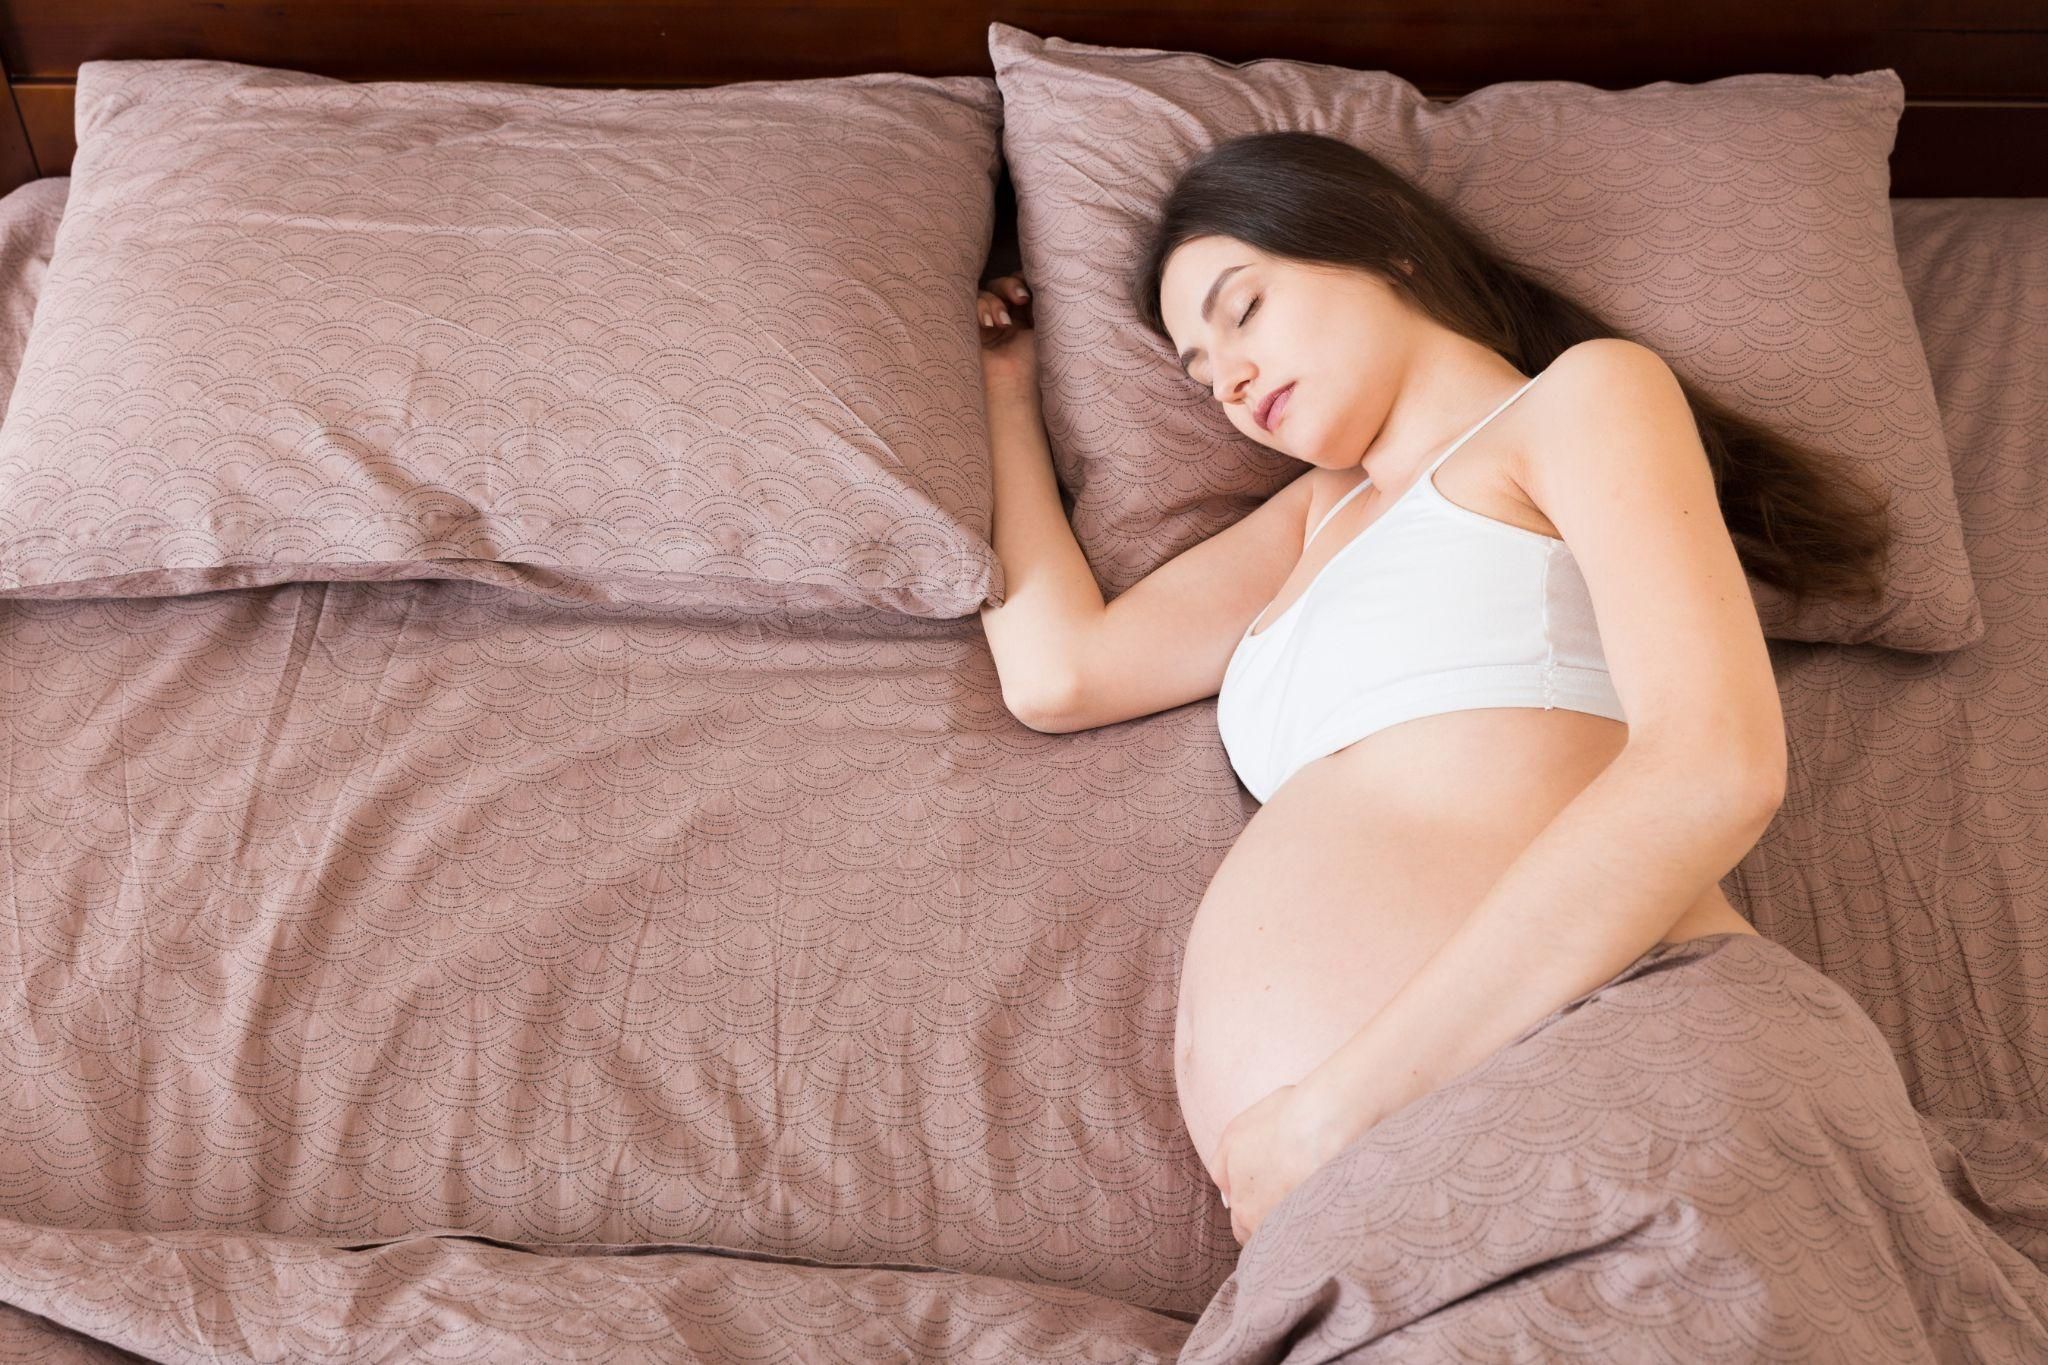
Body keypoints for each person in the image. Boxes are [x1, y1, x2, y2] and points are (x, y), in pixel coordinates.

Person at [973, 131, 1892, 1247]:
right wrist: (1003, 394)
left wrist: (1333, 1113)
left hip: (1584, 1079)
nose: (1230, 380)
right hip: (1362, 1194)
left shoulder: (1578, 402)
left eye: (1242, 311)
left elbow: (1712, 768)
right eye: (1199, 373)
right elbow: (1057, 673)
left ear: (1388, 252)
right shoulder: (1314, 517)